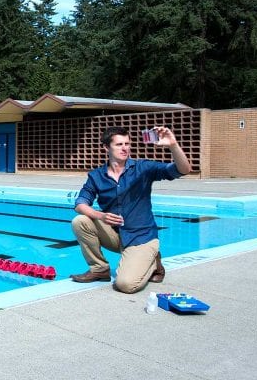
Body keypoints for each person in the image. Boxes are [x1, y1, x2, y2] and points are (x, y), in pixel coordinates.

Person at [70, 126, 191, 294]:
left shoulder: (143, 168)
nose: (125, 148)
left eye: (127, 143)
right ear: (106, 147)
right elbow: (80, 203)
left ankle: (154, 261)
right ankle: (99, 269)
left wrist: (173, 145)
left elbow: (183, 170)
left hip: (142, 237)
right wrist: (101, 216)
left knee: (125, 285)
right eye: (119, 144)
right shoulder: (96, 176)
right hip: (117, 236)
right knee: (80, 221)